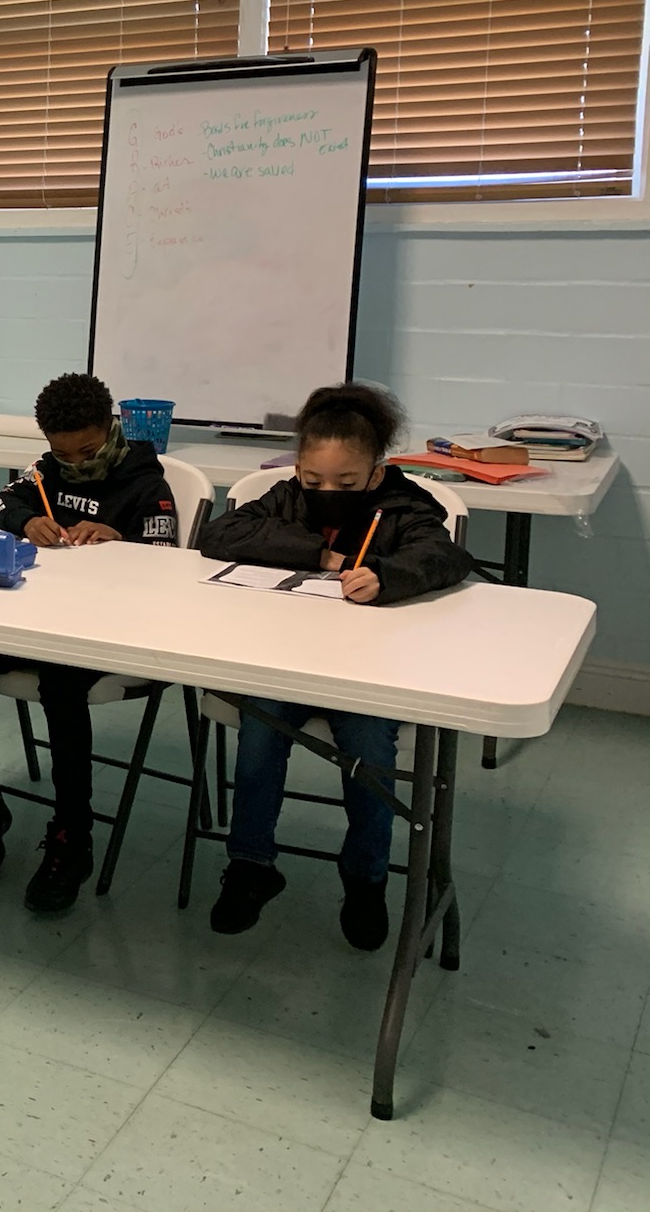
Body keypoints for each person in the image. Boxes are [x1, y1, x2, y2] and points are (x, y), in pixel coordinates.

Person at [198, 382, 473, 950]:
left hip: (366, 675)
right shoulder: (287, 497)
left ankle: (366, 878)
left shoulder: (405, 505)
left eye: (346, 483)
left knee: (370, 751)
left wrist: (388, 577)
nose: (327, 492)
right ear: (298, 468)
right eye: (314, 480)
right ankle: (252, 864)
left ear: (375, 473)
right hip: (288, 662)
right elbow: (219, 533)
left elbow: (444, 556)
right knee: (258, 726)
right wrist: (319, 555)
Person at [0, 373, 181, 912]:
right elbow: (1, 506)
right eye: (62, 452)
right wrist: (28, 521)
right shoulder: (45, 472)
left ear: (110, 430)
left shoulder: (145, 482)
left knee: (62, 684)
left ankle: (74, 833)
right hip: (37, 618)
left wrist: (123, 540)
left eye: (87, 450)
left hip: (107, 630)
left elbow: (170, 564)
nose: (74, 463)